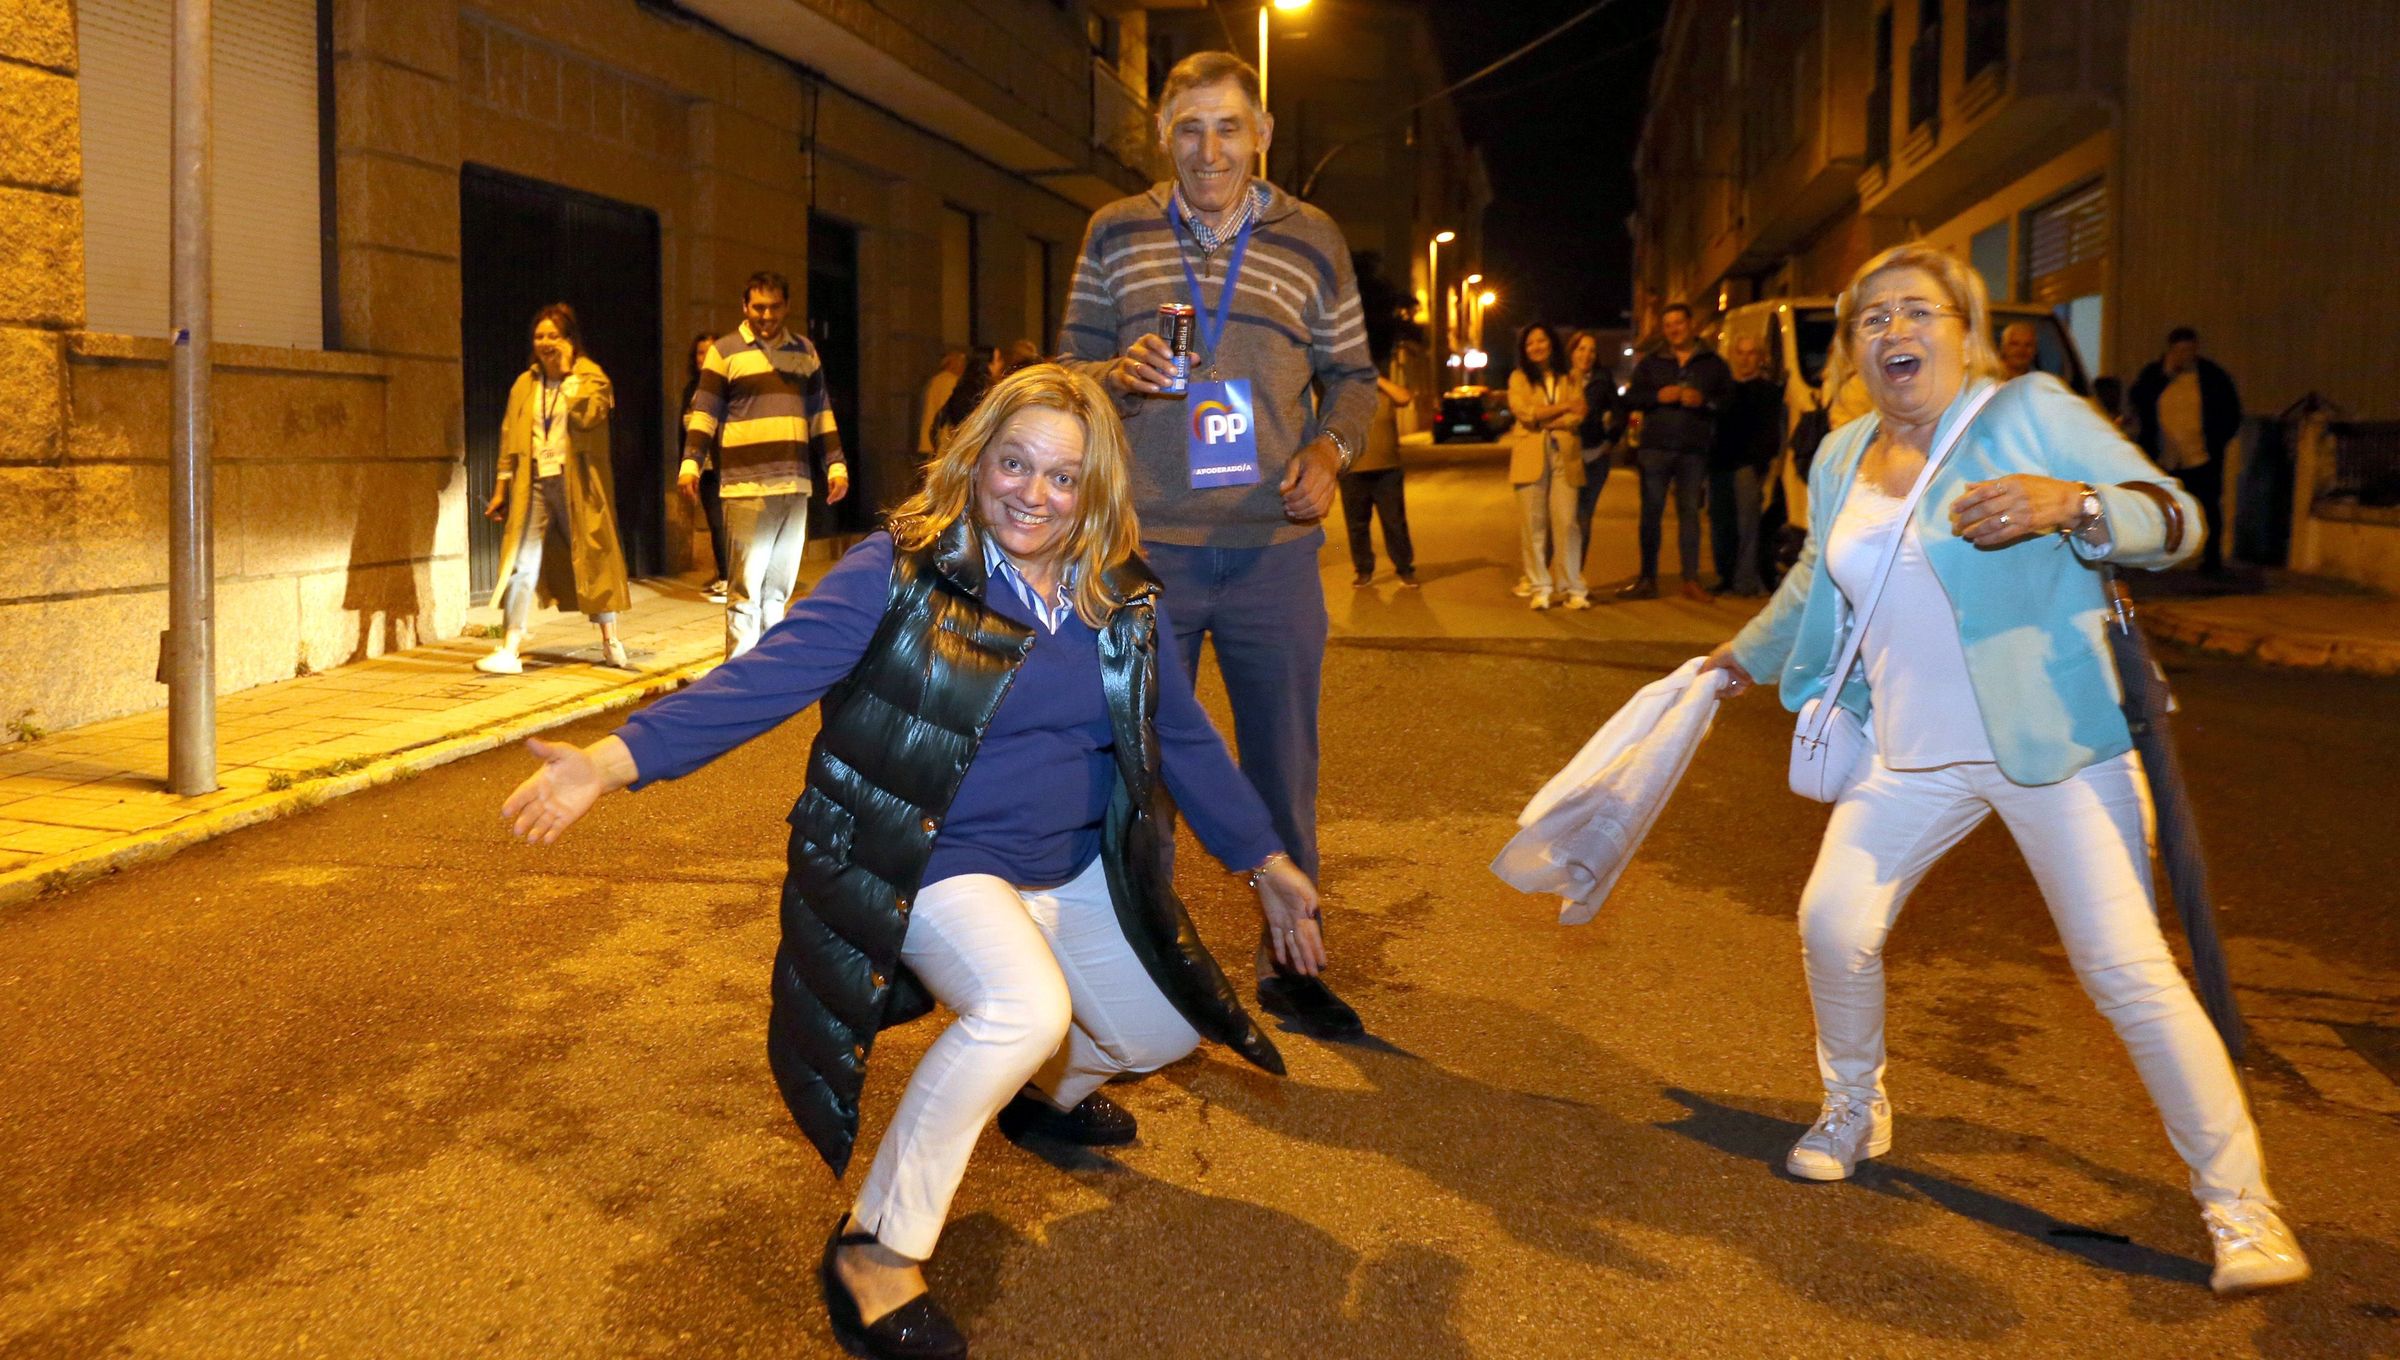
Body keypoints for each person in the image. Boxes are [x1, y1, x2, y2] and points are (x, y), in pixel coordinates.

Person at [500, 366, 1324, 1359]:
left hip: (1069, 866)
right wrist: (611, 760)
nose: (1033, 492)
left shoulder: (1119, 594)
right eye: (1013, 463)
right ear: (975, 461)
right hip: (934, 856)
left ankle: (1039, 1093)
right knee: (1024, 1007)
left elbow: (1180, 736)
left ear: (1097, 489)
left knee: (1160, 1030)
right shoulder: (901, 570)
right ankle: (874, 1249)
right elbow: (767, 676)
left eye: (1063, 477)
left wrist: (1264, 856)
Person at [1700, 243, 2308, 1297]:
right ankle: (1856, 1106)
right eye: (1873, 318)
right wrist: (1734, 661)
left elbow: (2177, 518)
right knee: (1833, 922)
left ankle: (2239, 1205)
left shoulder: (2026, 411)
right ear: (1852, 349)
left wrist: (2071, 502)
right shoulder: (1841, 451)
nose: (1896, 331)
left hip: (2054, 750)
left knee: (2126, 972)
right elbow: (1811, 581)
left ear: (1964, 331)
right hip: (1909, 752)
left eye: (1918, 312)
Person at [1060, 49, 1376, 1040]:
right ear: (1164, 138)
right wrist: (1117, 369)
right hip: (1145, 552)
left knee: (1282, 766)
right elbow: (1066, 370)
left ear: (1263, 136)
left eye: (1228, 126)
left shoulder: (1312, 238)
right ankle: (1145, 971)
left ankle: (1291, 963)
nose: (1210, 149)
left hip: (1273, 552)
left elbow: (1354, 375)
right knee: (1140, 772)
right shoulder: (1114, 231)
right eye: (1189, 128)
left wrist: (1330, 448)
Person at [680, 271, 850, 659]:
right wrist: (691, 463)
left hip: (794, 484)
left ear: (786, 307)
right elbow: (704, 412)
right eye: (758, 307)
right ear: (745, 306)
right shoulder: (725, 352)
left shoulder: (804, 351)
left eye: (774, 307)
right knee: (744, 591)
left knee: (778, 591)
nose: (766, 315)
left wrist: (835, 465)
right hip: (746, 487)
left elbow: (820, 412)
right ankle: (738, 675)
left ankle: (771, 669)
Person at [476, 304, 632, 674]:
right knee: (521, 561)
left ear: (570, 341)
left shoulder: (591, 377)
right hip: (534, 483)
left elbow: (591, 415)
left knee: (592, 556)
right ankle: (510, 646)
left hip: (578, 483)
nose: (546, 343)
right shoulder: (524, 385)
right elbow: (509, 439)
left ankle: (610, 640)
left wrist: (567, 376)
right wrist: (501, 488)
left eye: (554, 336)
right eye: (540, 336)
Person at [1622, 302, 1731, 601]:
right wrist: (1657, 396)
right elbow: (1632, 397)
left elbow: (1728, 401)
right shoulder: (1652, 362)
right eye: (1668, 325)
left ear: (1691, 324)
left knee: (1690, 515)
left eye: (1678, 323)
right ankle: (1647, 578)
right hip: (1655, 448)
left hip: (1693, 450)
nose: (1673, 329)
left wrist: (1704, 401)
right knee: (1651, 514)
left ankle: (1691, 580)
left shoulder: (1712, 363)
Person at [2129, 326, 2243, 575]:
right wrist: (2164, 376)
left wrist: (2217, 442)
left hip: (2200, 456)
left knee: (2209, 505)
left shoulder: (2212, 376)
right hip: (2164, 457)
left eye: (2190, 350)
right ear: (2170, 350)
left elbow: (2231, 412)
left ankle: (2211, 559)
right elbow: (2138, 400)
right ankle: (2153, 555)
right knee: (2157, 505)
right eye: (2180, 351)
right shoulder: (2154, 374)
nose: (2185, 356)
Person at [1506, 323, 1590, 610]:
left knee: (1567, 523)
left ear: (1551, 343)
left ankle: (1572, 587)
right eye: (1530, 343)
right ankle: (1540, 586)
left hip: (1564, 455)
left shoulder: (1570, 376)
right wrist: (1564, 408)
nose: (1536, 347)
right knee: (1533, 525)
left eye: (1541, 341)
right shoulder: (1518, 378)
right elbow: (1524, 412)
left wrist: (1548, 420)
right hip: (1530, 456)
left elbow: (1579, 416)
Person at [1338, 329, 1417, 587]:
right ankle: (1364, 569)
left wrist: (1377, 379)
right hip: (1353, 470)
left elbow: (1404, 398)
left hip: (1388, 469)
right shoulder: (1341, 391)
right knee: (1357, 526)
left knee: (1394, 523)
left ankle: (1405, 568)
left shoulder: (1385, 389)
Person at [1708, 333, 1778, 597]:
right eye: (1741, 352)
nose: (1746, 359)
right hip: (1719, 464)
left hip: (1747, 466)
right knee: (1721, 523)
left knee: (1747, 525)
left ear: (1760, 359)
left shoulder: (1768, 391)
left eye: (1751, 353)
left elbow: (1771, 434)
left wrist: (1761, 465)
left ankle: (1744, 581)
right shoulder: (1724, 391)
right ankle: (1725, 576)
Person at [677, 330, 730, 604]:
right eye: (699, 352)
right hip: (702, 466)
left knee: (722, 523)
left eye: (709, 352)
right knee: (713, 522)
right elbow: (684, 428)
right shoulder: (691, 388)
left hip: (722, 465)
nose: (703, 358)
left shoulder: (725, 387)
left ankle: (727, 577)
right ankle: (723, 574)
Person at [1567, 329, 1620, 581]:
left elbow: (1620, 411)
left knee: (1583, 519)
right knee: (1561, 519)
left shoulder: (1602, 378)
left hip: (1594, 457)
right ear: (1571, 351)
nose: (1586, 355)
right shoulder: (1559, 379)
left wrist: (1611, 439)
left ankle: (1575, 577)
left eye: (1591, 350)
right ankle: (1544, 574)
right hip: (1565, 459)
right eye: (1581, 349)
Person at [931, 344, 1004, 450]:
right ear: (987, 364)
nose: (1001, 364)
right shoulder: (979, 391)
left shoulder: (965, 386)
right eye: (998, 360)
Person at [916, 349, 964, 457]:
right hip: (943, 439)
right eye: (960, 363)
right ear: (953, 364)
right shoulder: (952, 382)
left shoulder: (934, 381)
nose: (962, 367)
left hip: (929, 438)